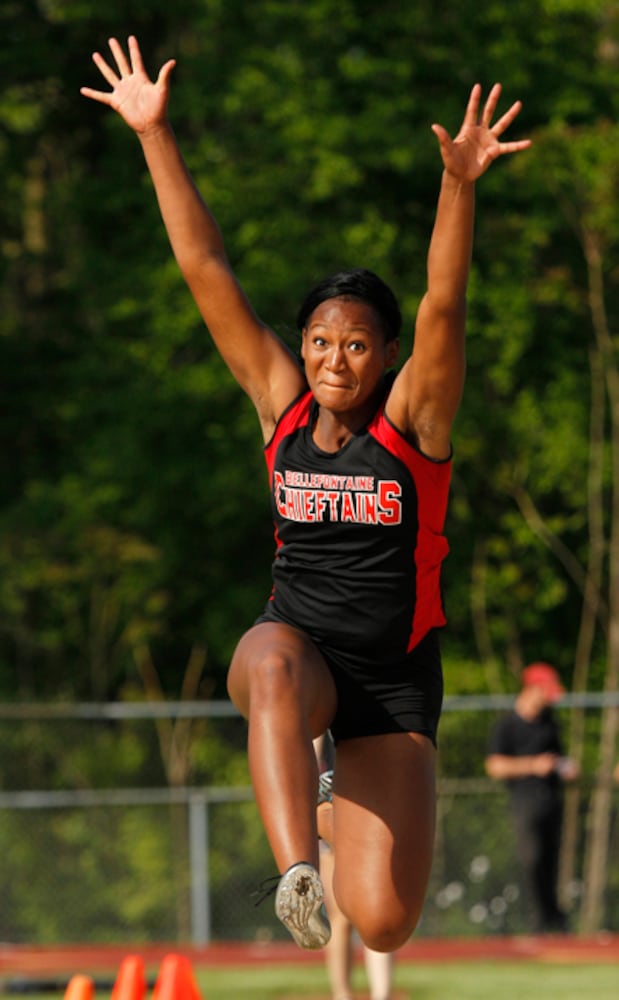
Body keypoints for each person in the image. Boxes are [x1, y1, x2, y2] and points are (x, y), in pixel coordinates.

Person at [81, 35, 531, 952]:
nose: (335, 358)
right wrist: (153, 135)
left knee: (385, 924)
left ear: (387, 357)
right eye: (321, 340)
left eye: (358, 344)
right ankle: (293, 865)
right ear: (303, 344)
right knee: (278, 667)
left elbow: (444, 305)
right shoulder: (279, 406)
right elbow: (205, 268)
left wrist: (458, 185)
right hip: (294, 653)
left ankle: (329, 804)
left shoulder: (412, 429)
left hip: (392, 680)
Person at [485, 662, 579, 934]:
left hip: (551, 799)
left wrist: (566, 767)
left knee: (551, 860)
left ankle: (554, 920)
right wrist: (533, 765)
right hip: (524, 802)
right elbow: (494, 766)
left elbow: (559, 758)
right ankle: (536, 919)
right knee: (532, 858)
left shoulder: (550, 723)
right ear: (532, 689)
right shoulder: (507, 725)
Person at [315, 733, 395, 1000]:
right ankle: (342, 994)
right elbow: (313, 754)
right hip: (334, 805)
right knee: (341, 916)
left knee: (378, 910)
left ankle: (381, 993)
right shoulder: (326, 707)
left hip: (374, 806)